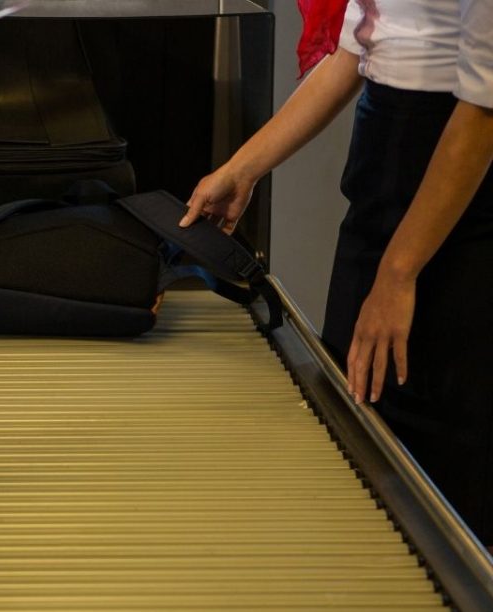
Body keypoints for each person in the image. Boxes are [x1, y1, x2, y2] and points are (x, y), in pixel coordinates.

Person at [181, 0, 493, 542]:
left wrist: (397, 275)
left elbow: (485, 112)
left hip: (455, 192)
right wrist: (243, 167)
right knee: (355, 438)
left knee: (449, 474)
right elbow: (358, 47)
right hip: (380, 172)